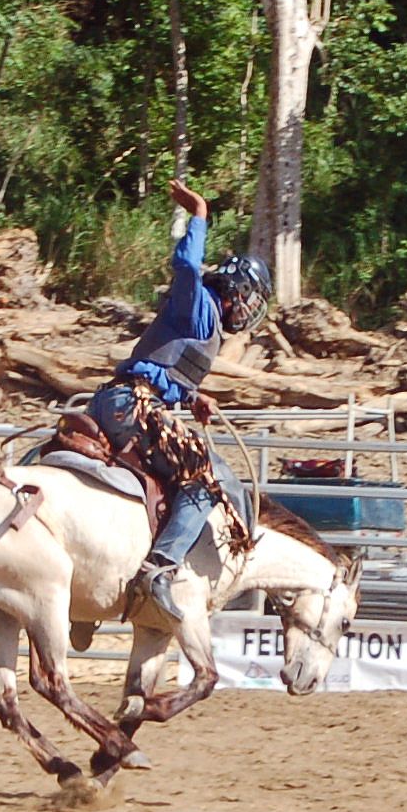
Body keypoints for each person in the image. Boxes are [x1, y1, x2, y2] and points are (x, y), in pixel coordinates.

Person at [86, 180, 272, 622]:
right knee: (204, 478)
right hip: (132, 408)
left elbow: (163, 368)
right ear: (234, 289)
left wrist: (191, 397)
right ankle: (160, 568)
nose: (249, 309)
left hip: (118, 401)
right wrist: (200, 214)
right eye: (249, 298)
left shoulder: (204, 322)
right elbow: (187, 264)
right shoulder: (200, 305)